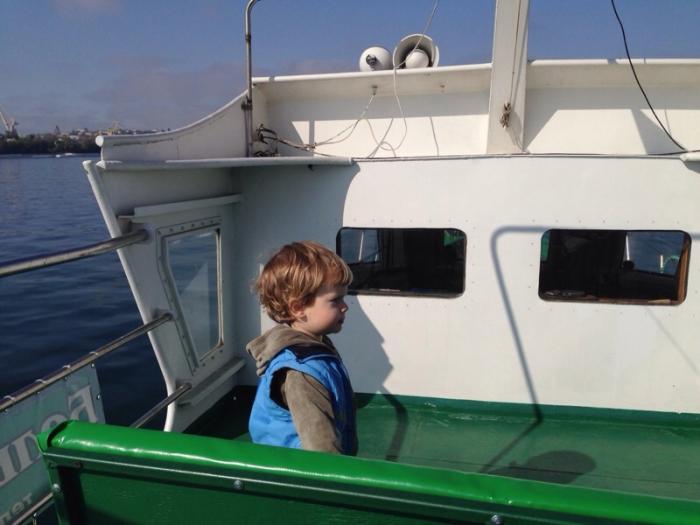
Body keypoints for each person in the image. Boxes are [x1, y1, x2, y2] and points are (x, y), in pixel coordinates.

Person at [247, 240, 357, 455]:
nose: (345, 306)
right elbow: (320, 449)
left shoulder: (315, 346)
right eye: (335, 300)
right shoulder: (300, 373)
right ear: (298, 308)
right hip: (297, 469)